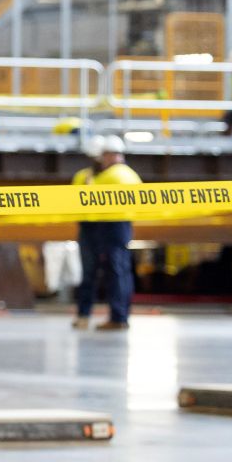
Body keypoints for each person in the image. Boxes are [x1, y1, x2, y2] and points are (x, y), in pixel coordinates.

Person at [72, 134, 140, 331]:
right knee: (96, 272)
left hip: (114, 224)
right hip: (92, 225)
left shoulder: (120, 175)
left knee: (116, 270)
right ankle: (89, 315)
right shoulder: (87, 175)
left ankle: (118, 317)